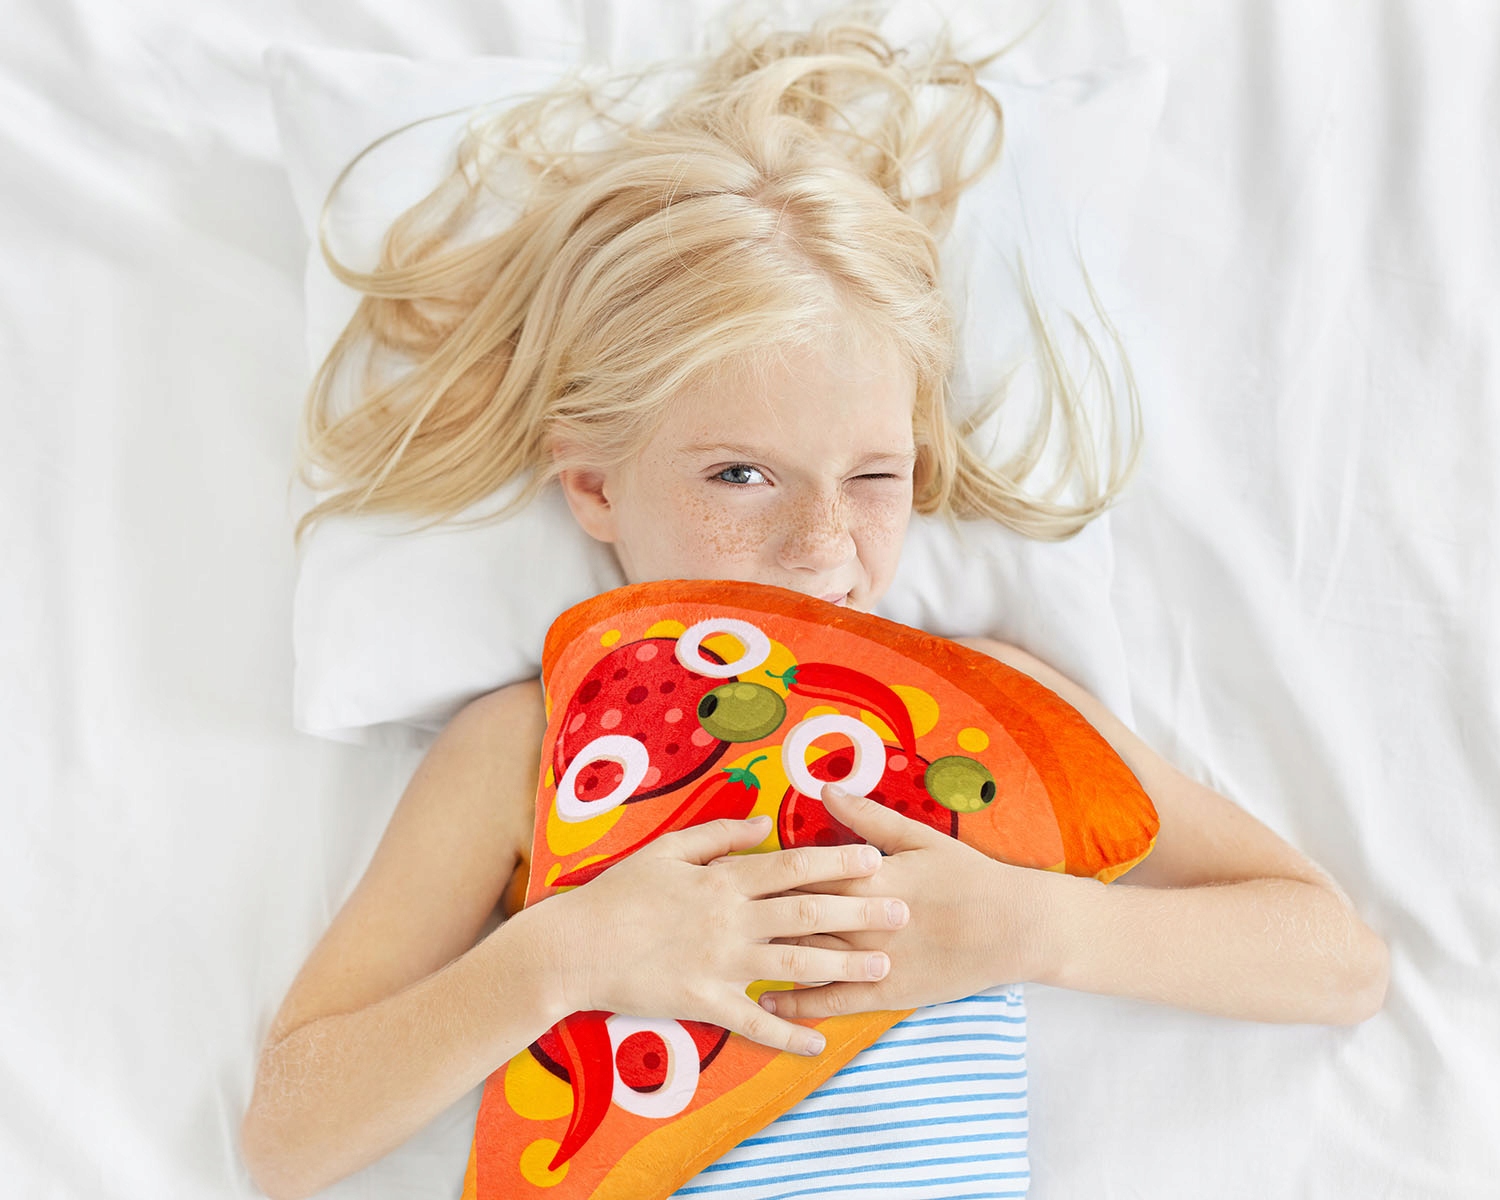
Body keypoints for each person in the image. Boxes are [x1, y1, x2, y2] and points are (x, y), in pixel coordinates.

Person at [241, 10, 1389, 1199]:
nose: (821, 547)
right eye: (741, 475)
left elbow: (1337, 960)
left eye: (874, 476)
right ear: (594, 486)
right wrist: (563, 956)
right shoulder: (529, 744)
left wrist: (1040, 928)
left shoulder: (986, 707)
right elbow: (287, 1138)